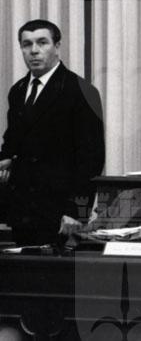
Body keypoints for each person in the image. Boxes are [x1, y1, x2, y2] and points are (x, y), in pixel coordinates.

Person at [0, 19, 105, 245]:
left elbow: (91, 159)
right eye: (27, 44)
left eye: (42, 42)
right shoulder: (18, 90)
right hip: (22, 208)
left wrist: (76, 210)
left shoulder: (81, 90)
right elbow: (12, 141)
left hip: (59, 212)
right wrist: (5, 159)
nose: (34, 50)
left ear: (57, 47)